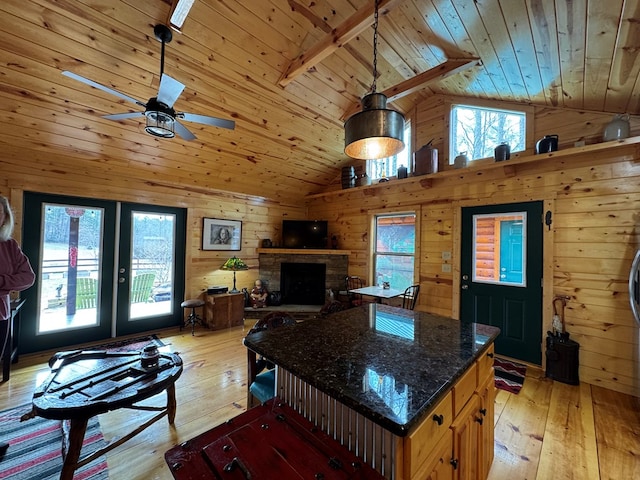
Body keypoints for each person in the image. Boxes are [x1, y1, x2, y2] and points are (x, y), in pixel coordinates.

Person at [0, 195, 35, 456]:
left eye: (0, 213)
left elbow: (27, 277)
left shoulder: (9, 246)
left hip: (0, 315)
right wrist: (7, 281)